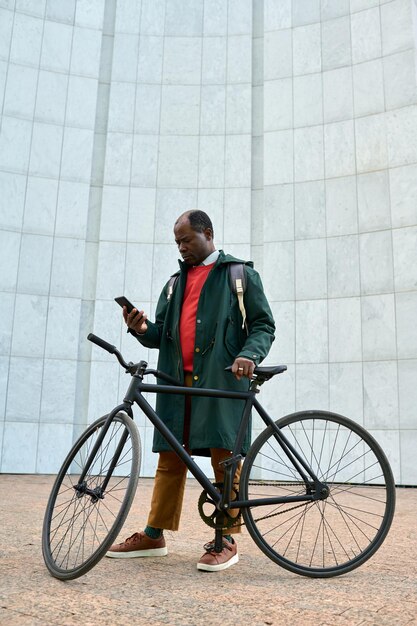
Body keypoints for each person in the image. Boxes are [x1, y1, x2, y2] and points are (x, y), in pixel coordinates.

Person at [106, 210, 275, 571]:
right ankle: (154, 533)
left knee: (223, 456)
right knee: (169, 457)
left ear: (208, 234)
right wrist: (139, 327)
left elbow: (263, 325)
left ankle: (226, 538)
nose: (181, 248)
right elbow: (160, 334)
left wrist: (249, 354)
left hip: (220, 378)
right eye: (177, 242)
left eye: (186, 240)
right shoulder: (173, 283)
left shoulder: (239, 275)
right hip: (175, 382)